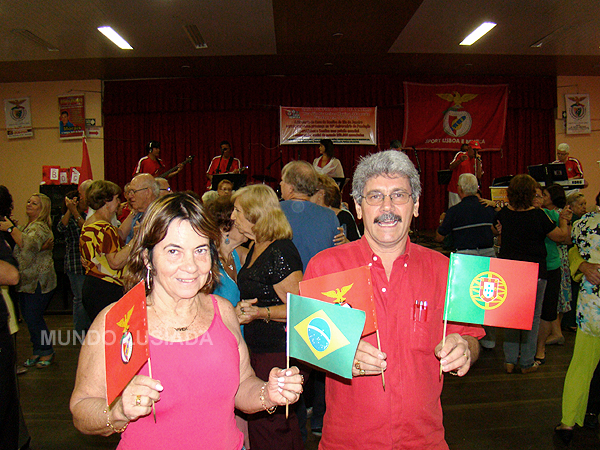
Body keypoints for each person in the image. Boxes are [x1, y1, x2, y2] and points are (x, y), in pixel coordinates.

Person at [70, 193, 303, 450]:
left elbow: (242, 385)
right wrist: (117, 411)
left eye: (200, 250)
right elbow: (82, 409)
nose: (191, 266)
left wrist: (267, 393)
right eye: (173, 251)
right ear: (148, 258)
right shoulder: (118, 320)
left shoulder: (223, 312)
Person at [303, 150, 483, 449]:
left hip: (425, 441)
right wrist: (341, 354)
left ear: (415, 206)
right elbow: (306, 350)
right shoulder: (325, 267)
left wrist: (465, 349)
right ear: (358, 208)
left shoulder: (446, 270)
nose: (387, 207)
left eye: (399, 195)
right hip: (347, 442)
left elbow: (471, 339)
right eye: (374, 197)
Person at [231, 185, 305, 449]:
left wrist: (260, 313)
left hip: (277, 350)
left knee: (274, 427)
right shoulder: (256, 247)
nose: (233, 217)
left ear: (255, 214)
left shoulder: (280, 250)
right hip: (258, 349)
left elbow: (300, 309)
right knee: (264, 425)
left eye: (238, 211)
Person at [496, 175, 570, 374]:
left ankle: (510, 361)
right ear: (531, 194)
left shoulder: (504, 214)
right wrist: (564, 221)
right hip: (535, 271)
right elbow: (561, 236)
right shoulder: (538, 216)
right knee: (533, 318)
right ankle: (527, 361)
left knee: (509, 317)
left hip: (509, 271)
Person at [204, 195, 251, 448]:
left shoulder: (240, 256)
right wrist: (233, 310)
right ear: (225, 227)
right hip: (217, 350)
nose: (244, 223)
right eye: (237, 218)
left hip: (241, 344)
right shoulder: (206, 263)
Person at [555, 192, 600, 444]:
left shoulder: (583, 224)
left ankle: (568, 421)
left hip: (592, 305)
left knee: (581, 365)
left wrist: (583, 266)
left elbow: (572, 251)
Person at [0, 193, 57, 368]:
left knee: (34, 317)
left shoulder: (39, 227)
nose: (29, 204)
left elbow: (29, 246)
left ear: (42, 209)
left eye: (34, 203)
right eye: (28, 201)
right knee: (29, 318)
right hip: (26, 282)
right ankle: (38, 350)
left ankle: (46, 351)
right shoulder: (27, 227)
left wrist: (11, 229)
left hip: (38, 282)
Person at [80, 181, 132, 322]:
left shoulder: (91, 223)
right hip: (106, 288)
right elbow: (115, 262)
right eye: (116, 198)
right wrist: (137, 240)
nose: (119, 202)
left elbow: (119, 235)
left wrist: (134, 213)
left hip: (93, 285)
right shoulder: (104, 228)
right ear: (106, 202)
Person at [534, 184, 572, 365]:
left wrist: (565, 222)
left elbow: (565, 237)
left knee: (550, 307)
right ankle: (545, 341)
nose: (541, 198)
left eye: (544, 195)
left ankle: (545, 342)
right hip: (545, 265)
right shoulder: (544, 215)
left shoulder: (554, 215)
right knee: (547, 307)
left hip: (552, 264)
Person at [279, 160, 339, 270]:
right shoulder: (330, 216)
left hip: (283, 283)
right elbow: (336, 256)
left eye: (283, 181)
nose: (280, 184)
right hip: (319, 282)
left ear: (291, 187)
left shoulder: (274, 211)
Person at [435, 173, 497, 257]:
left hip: (464, 257)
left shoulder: (454, 211)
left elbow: (439, 237)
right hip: (488, 255)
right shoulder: (488, 207)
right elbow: (497, 231)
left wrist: (441, 221)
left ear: (460, 189)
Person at [56, 190, 91, 335]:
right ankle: (80, 330)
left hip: (87, 264)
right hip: (74, 264)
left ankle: (88, 328)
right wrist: (70, 210)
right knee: (79, 298)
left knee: (86, 298)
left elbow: (87, 230)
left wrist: (76, 212)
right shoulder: (68, 218)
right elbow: (60, 228)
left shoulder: (85, 217)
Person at [312, 174, 361, 242]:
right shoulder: (309, 216)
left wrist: (346, 242)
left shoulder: (344, 216)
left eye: (311, 193)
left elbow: (356, 245)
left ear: (321, 194)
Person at [120, 174, 160, 244]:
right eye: (129, 192)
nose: (130, 196)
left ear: (148, 192)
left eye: (134, 192)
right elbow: (120, 236)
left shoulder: (161, 215)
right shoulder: (137, 214)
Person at [447, 141, 483, 207]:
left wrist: (478, 163)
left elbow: (479, 176)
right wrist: (460, 160)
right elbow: (451, 167)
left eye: (477, 150)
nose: (475, 152)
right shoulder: (460, 155)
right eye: (474, 150)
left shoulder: (477, 160)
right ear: (469, 148)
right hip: (456, 190)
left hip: (469, 192)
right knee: (455, 210)